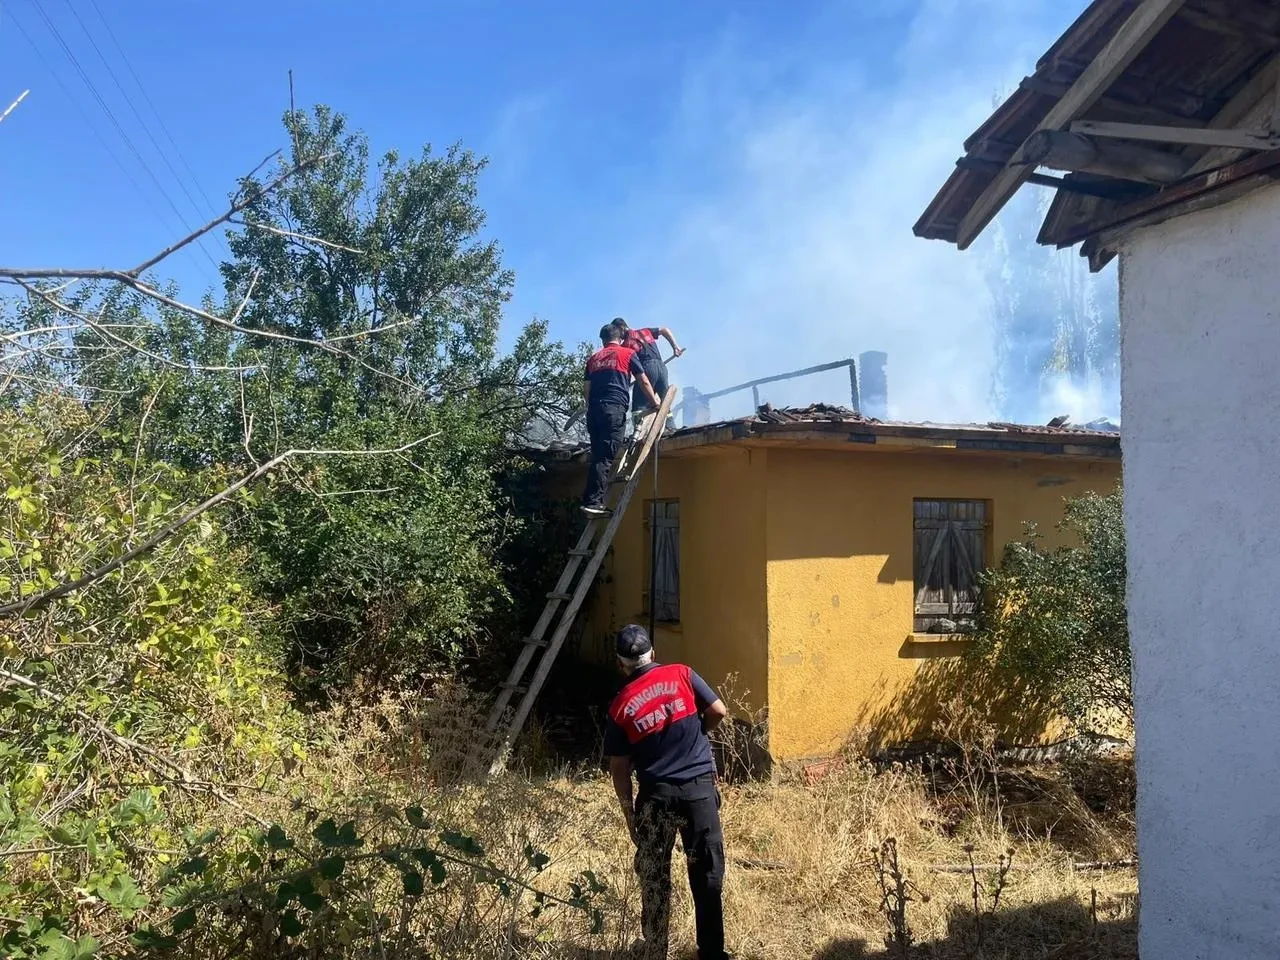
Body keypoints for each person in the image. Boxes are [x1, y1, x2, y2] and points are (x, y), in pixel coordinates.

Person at [604, 625, 730, 960]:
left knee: (654, 876)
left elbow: (619, 768)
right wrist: (699, 732)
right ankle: (712, 953)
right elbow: (719, 710)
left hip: (656, 797)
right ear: (653, 654)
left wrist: (629, 812)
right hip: (699, 793)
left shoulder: (620, 706)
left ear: (621, 664)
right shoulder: (683, 674)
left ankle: (656, 950)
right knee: (707, 875)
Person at [582, 324, 660, 517]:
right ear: (620, 336)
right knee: (606, 455)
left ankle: (591, 499)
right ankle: (593, 502)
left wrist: (592, 407)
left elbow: (586, 390)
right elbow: (644, 381)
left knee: (598, 455)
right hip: (613, 409)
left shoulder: (593, 359)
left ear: (603, 340)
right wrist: (654, 402)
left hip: (594, 411)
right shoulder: (627, 354)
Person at [610, 318, 684, 430]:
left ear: (621, 328)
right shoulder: (645, 331)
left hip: (646, 369)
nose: (619, 338)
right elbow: (665, 330)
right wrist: (675, 347)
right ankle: (671, 428)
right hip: (662, 368)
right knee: (665, 402)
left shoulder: (626, 344)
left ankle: (638, 432)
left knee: (638, 406)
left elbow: (627, 368)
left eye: (618, 334)